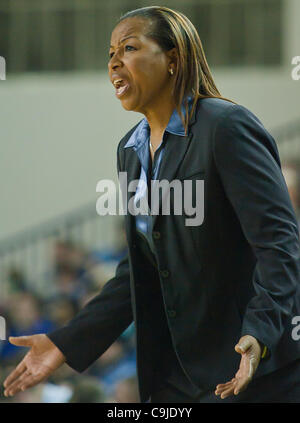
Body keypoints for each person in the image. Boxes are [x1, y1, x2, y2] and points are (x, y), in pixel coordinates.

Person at [3, 6, 300, 403]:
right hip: (176, 376)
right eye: (110, 53)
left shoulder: (225, 127)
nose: (114, 62)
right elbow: (138, 271)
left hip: (251, 371)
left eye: (128, 47)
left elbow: (279, 244)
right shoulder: (130, 150)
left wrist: (259, 333)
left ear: (173, 59)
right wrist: (65, 343)